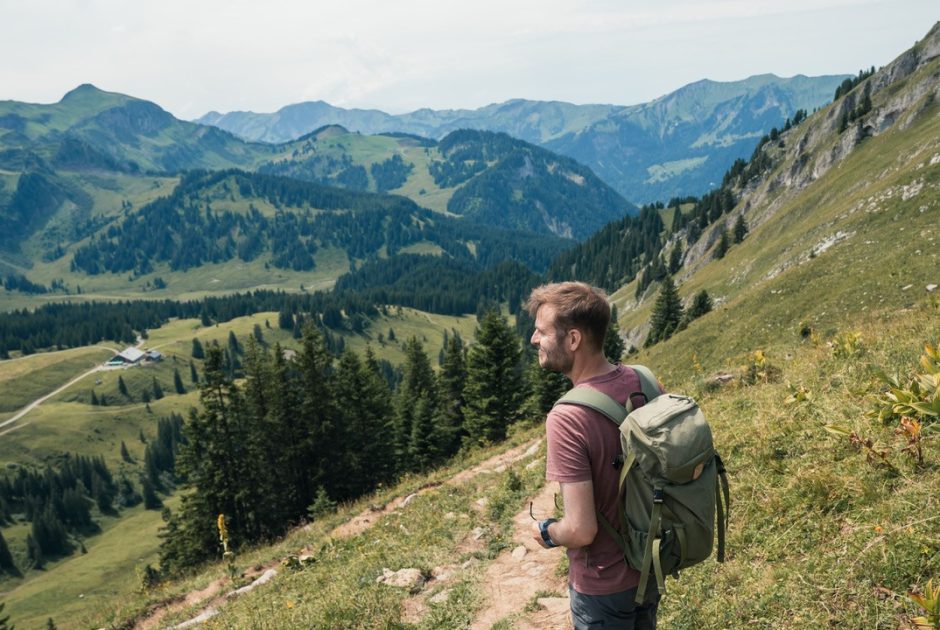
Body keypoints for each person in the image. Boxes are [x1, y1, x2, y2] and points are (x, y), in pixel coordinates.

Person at [527, 281, 661, 629]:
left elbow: (581, 530)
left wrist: (547, 532)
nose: (534, 339)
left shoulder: (567, 417)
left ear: (573, 340)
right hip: (650, 566)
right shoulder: (645, 382)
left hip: (602, 587)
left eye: (542, 331)